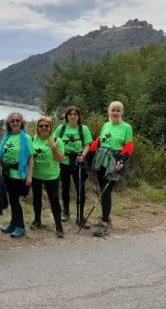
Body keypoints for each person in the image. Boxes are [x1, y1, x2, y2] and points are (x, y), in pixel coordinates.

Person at [89, 101, 134, 237]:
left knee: (106, 191)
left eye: (117, 110)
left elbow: (128, 146)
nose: (115, 113)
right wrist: (89, 156)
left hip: (115, 162)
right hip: (102, 161)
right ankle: (106, 217)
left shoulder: (127, 127)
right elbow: (99, 142)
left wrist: (121, 162)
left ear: (122, 112)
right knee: (103, 191)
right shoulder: (105, 125)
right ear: (109, 112)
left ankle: (104, 222)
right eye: (112, 110)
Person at [54, 106, 93, 228]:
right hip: (64, 162)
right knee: (65, 188)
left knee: (80, 190)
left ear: (79, 116)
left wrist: (83, 155)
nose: (73, 116)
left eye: (75, 114)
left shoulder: (83, 129)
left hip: (78, 162)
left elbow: (87, 145)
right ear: (66, 116)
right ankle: (65, 212)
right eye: (70, 114)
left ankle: (80, 217)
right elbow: (54, 141)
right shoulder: (61, 128)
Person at [0, 112, 33, 239]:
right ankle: (13, 224)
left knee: (15, 201)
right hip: (7, 174)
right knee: (12, 200)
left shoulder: (26, 138)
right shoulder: (7, 137)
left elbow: (30, 157)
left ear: (21, 122)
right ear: (9, 123)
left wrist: (29, 176)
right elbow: (0, 155)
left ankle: (21, 226)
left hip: (19, 175)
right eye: (12, 121)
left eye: (17, 120)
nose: (15, 123)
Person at [31, 116, 65, 238]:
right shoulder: (33, 140)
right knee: (36, 199)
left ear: (50, 127)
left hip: (52, 176)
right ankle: (37, 221)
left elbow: (60, 159)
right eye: (41, 126)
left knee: (54, 200)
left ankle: (59, 226)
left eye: (47, 125)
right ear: (38, 128)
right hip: (36, 175)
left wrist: (55, 149)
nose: (44, 128)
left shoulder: (56, 140)